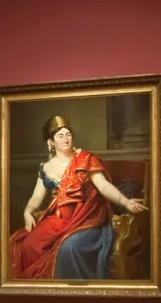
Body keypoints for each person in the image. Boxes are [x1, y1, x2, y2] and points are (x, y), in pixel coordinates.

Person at [8, 115, 146, 280]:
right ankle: (43, 295)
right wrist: (28, 212)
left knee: (68, 248)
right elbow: (37, 196)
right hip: (58, 221)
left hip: (87, 219)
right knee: (28, 246)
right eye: (60, 136)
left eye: (68, 135)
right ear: (51, 143)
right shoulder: (45, 168)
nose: (66, 139)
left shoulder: (85, 159)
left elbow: (103, 186)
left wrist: (125, 201)